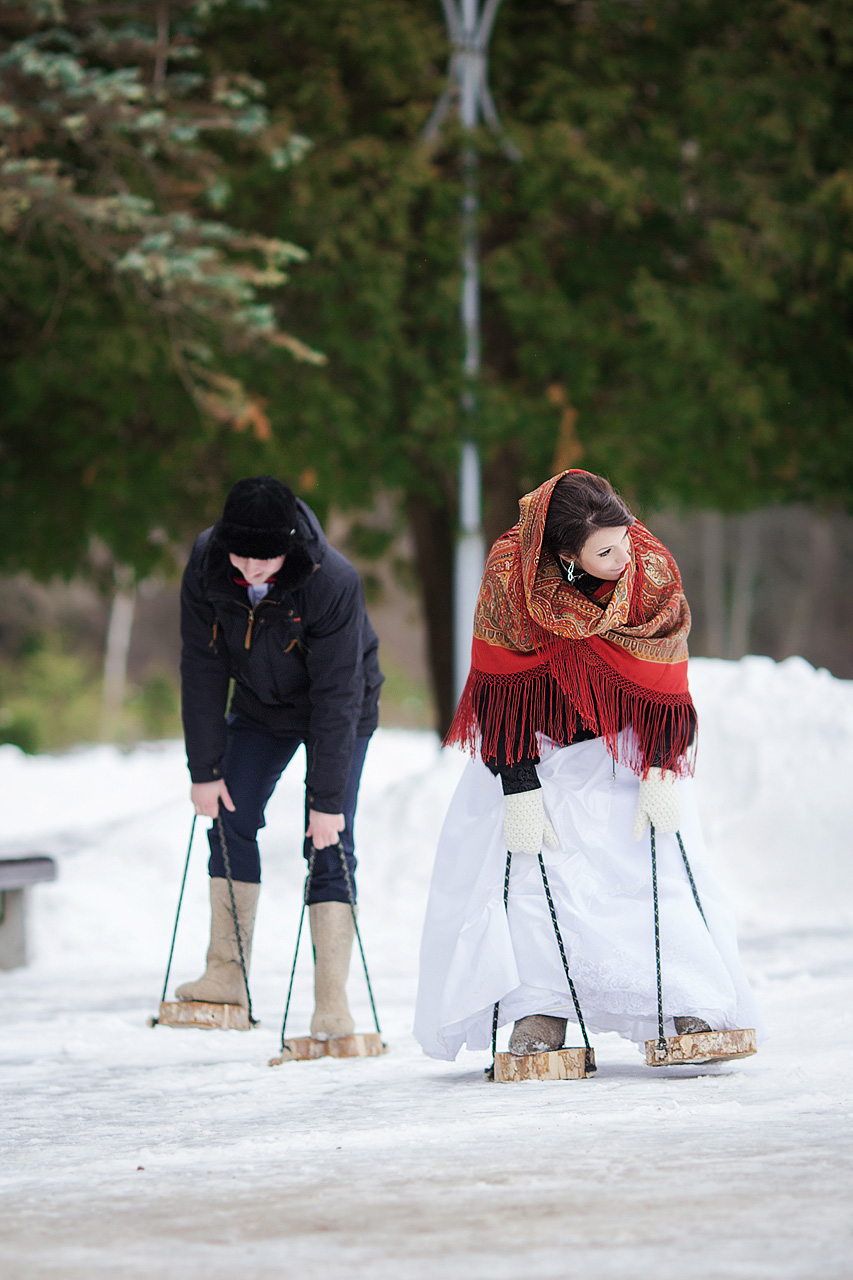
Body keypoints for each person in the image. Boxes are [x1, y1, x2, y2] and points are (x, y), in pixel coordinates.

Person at [414, 470, 763, 1061]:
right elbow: (500, 690)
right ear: (564, 554)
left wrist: (659, 770)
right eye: (606, 551)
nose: (625, 555)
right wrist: (519, 787)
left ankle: (687, 1003)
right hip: (539, 748)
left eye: (624, 538)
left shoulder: (648, 571)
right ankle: (541, 1011)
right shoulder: (511, 579)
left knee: (654, 874)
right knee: (533, 878)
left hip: (627, 747)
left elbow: (667, 677)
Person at [176, 475, 383, 1038]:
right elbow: (201, 664)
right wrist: (205, 769)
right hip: (259, 708)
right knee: (229, 817)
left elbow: (339, 697)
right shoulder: (206, 562)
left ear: (289, 546)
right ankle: (225, 976)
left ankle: (331, 1003)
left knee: (329, 837)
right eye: (240, 557)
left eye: (265, 560)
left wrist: (327, 801)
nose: (251, 571)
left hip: (338, 709)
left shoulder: (332, 580)